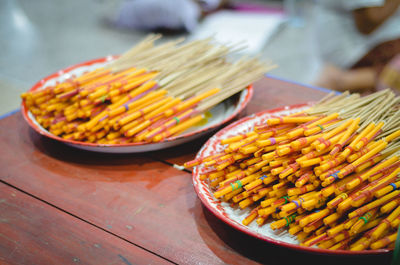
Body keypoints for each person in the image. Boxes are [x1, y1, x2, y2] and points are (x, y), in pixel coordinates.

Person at [312, 0, 400, 94]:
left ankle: (343, 81)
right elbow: (368, 22)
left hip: (375, 54)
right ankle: (343, 81)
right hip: (358, 54)